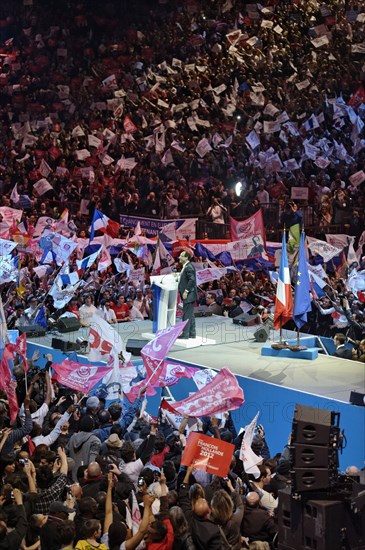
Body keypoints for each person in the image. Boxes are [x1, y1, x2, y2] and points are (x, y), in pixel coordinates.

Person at [178, 251, 198, 339]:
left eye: (181, 256)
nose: (179, 257)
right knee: (190, 314)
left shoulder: (188, 267)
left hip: (189, 294)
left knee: (186, 314)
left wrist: (186, 291)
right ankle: (192, 333)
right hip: (189, 294)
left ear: (186, 258)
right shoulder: (186, 266)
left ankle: (185, 334)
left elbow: (192, 280)